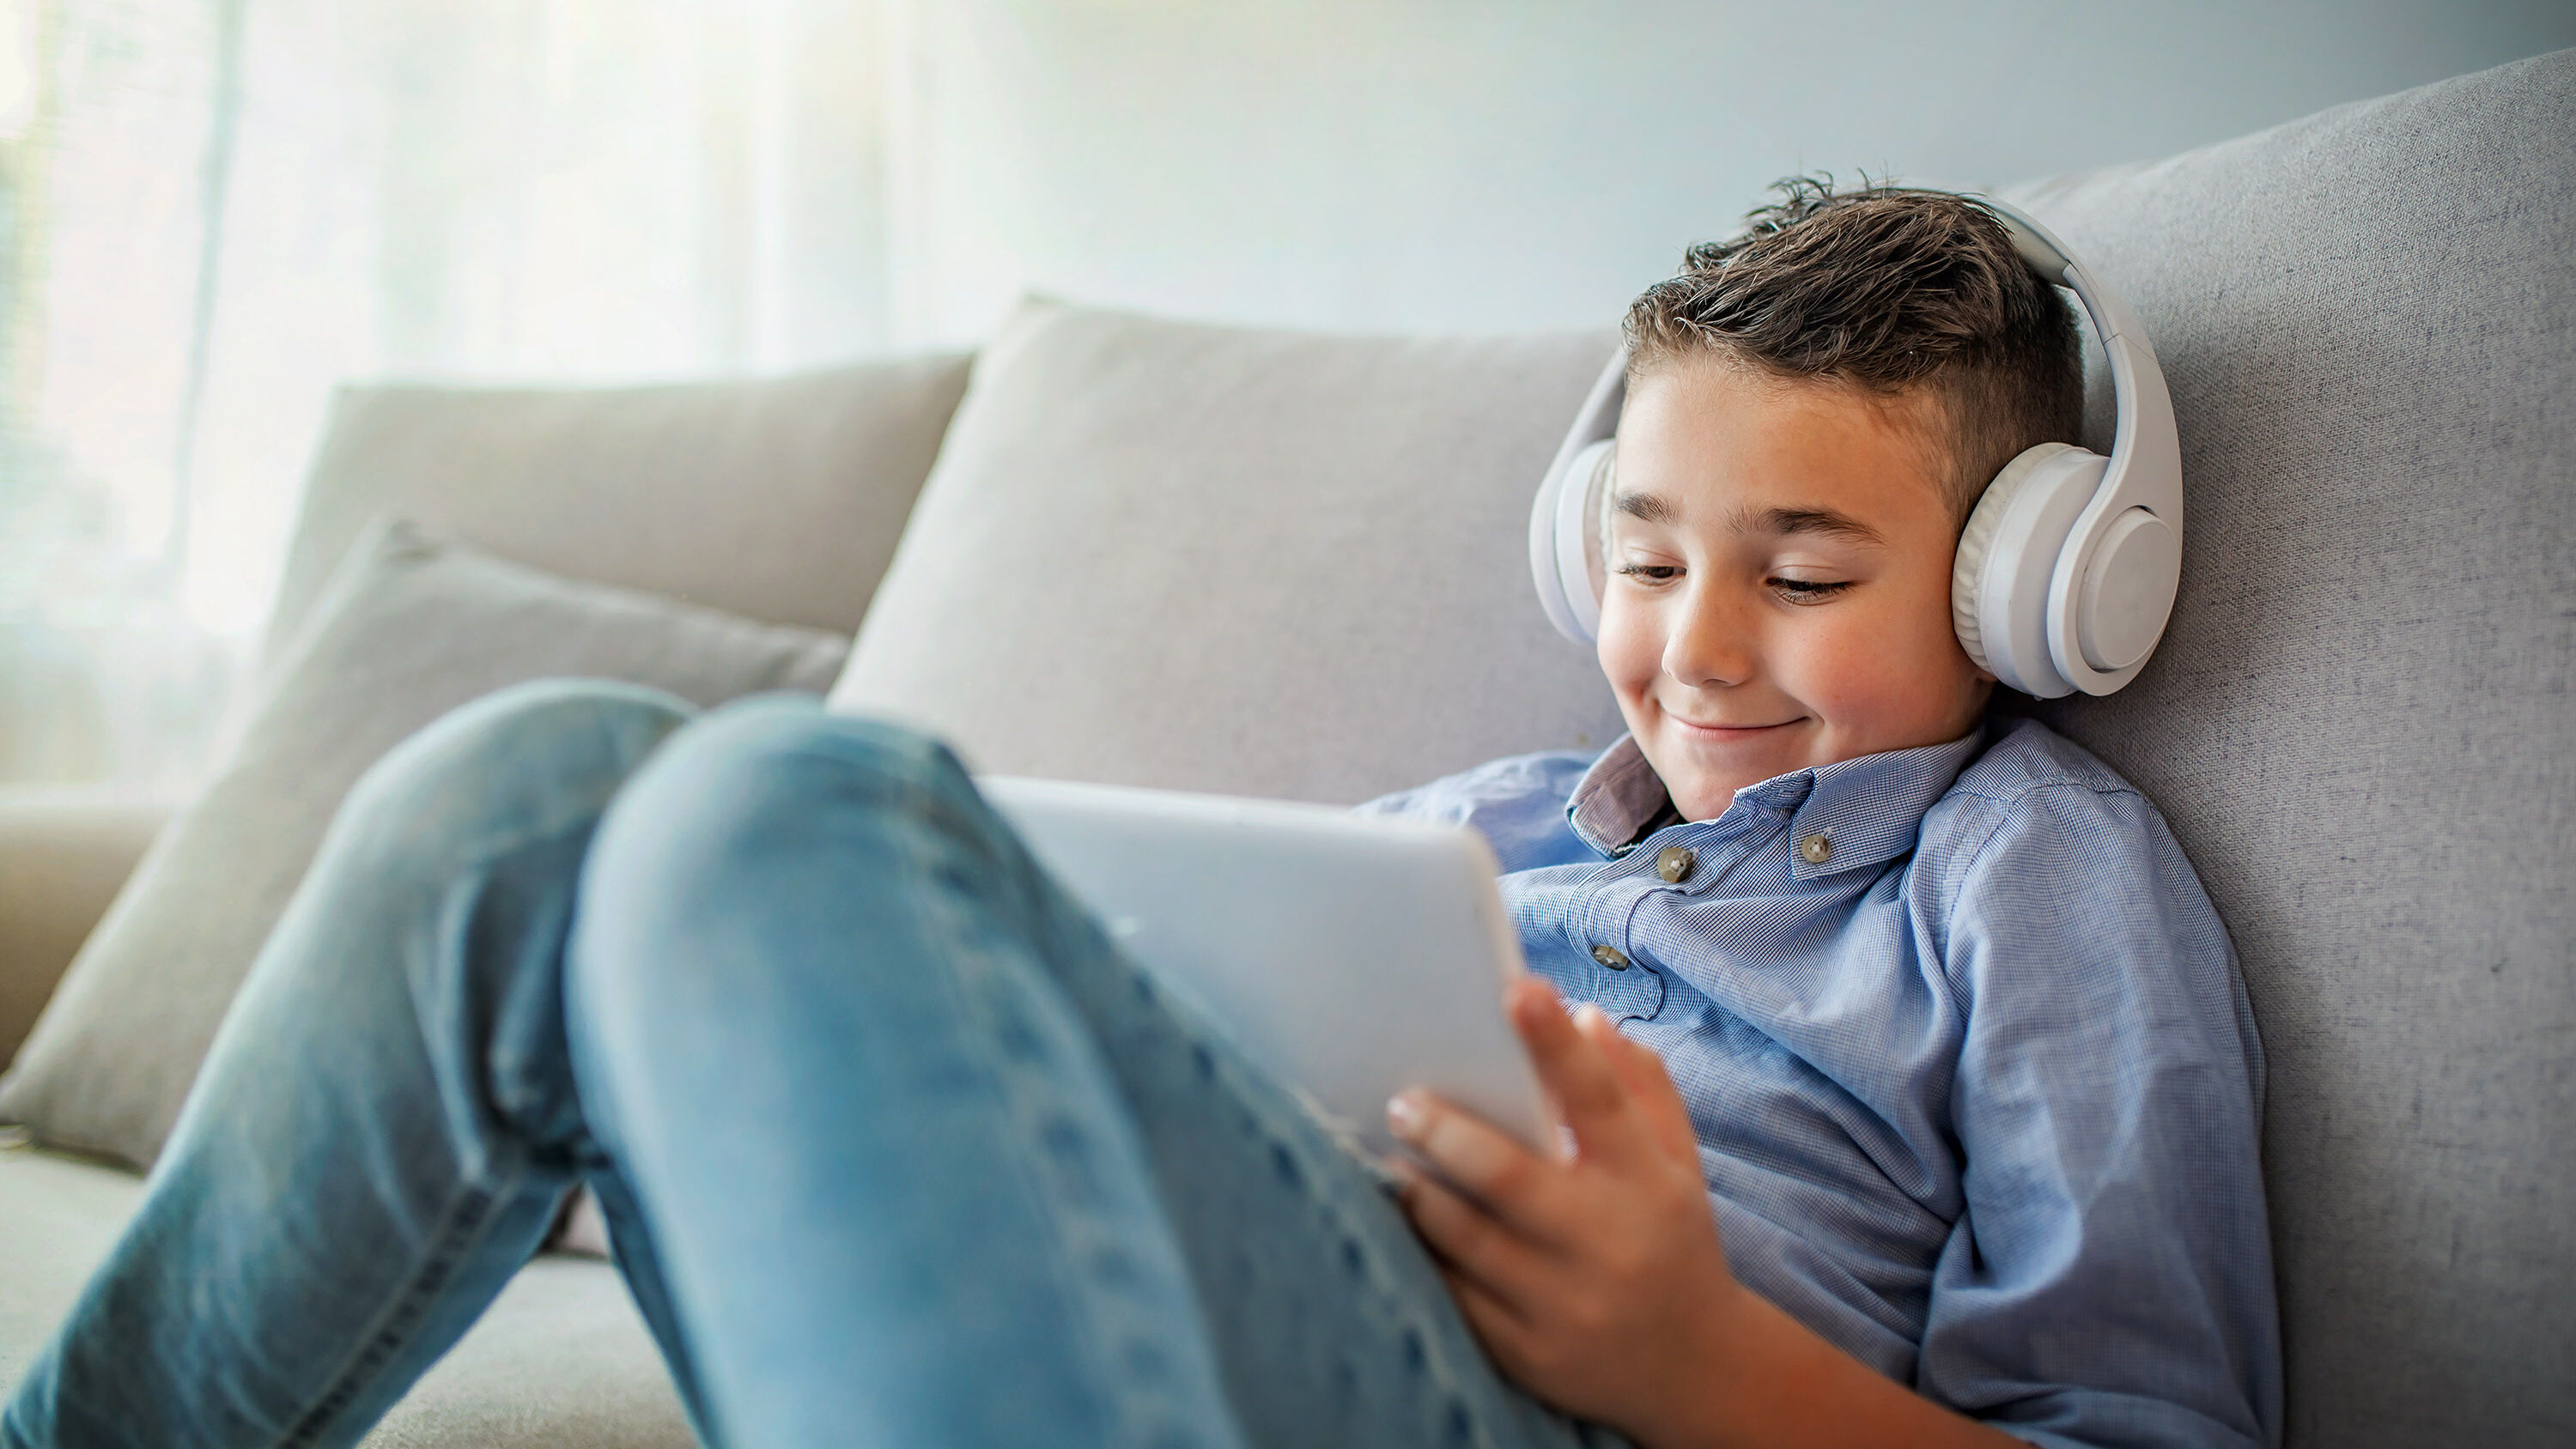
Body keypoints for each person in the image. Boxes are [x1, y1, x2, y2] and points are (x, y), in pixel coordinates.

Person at [1, 179, 2278, 1449]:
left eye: (1804, 576)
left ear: (2025, 585)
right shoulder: (1481, 829)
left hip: (1563, 1411)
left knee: (788, 805)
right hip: (1164, 1292)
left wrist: (1694, 1360)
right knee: (546, 780)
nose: (1695, 648)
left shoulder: (2032, 875)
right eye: (1653, 558)